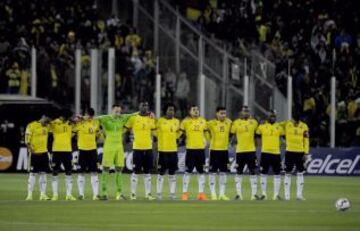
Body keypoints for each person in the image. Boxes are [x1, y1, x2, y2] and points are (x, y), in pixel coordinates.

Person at [96, 105, 138, 200]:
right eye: (116, 111)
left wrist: (149, 113)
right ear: (112, 111)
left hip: (119, 147)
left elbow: (133, 114)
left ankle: (119, 193)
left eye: (119, 111)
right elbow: (93, 120)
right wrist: (100, 131)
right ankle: (104, 193)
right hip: (109, 147)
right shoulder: (105, 118)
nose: (118, 113)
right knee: (106, 169)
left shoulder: (122, 118)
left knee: (119, 169)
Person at [125, 101, 156, 200]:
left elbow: (154, 129)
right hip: (137, 148)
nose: (145, 107)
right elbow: (125, 128)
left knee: (147, 172)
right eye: (143, 105)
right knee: (135, 172)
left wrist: (154, 118)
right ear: (139, 106)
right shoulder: (133, 118)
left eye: (146, 105)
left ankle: (148, 194)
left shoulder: (151, 118)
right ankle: (133, 194)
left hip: (148, 148)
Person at [180, 105, 209, 201]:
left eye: (197, 109)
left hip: (201, 150)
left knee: (201, 172)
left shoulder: (203, 121)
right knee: (188, 172)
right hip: (190, 150)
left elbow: (206, 134)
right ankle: (185, 193)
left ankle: (201, 194)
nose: (196, 111)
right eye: (194, 110)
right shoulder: (185, 122)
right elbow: (180, 134)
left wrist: (208, 142)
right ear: (190, 111)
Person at [231, 106, 259, 200]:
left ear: (249, 112)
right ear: (241, 112)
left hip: (251, 150)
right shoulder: (236, 123)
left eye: (247, 111)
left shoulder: (254, 122)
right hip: (240, 151)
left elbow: (257, 135)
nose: (246, 113)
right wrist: (232, 143)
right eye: (244, 111)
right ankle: (239, 194)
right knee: (239, 172)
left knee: (253, 171)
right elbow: (232, 135)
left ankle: (253, 195)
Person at [256, 111, 284, 200]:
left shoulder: (279, 127)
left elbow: (283, 137)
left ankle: (276, 195)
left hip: (276, 153)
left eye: (274, 116)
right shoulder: (262, 126)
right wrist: (259, 146)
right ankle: (264, 194)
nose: (273, 118)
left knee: (277, 174)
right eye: (271, 116)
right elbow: (257, 135)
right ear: (267, 117)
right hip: (265, 153)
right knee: (263, 174)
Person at [155, 103, 181, 200]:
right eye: (170, 110)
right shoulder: (160, 121)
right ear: (165, 111)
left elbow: (179, 133)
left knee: (172, 173)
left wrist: (175, 138)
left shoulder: (177, 121)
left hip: (173, 150)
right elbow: (154, 131)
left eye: (173, 110)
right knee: (161, 172)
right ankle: (158, 194)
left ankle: (172, 194)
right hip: (163, 150)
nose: (171, 112)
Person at [74, 108, 100, 200]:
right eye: (88, 116)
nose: (90, 118)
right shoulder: (79, 122)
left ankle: (96, 194)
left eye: (91, 116)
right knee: (81, 172)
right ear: (85, 114)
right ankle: (81, 194)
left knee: (94, 172)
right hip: (82, 150)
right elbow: (72, 123)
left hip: (92, 150)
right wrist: (79, 118)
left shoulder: (96, 122)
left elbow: (98, 134)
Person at [50, 109, 76, 201]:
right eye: (67, 117)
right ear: (63, 116)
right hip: (56, 150)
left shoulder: (70, 123)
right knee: (55, 172)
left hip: (67, 150)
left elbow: (75, 130)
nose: (68, 119)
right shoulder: (54, 123)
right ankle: (55, 195)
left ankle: (68, 195)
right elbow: (47, 126)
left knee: (69, 172)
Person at [283, 111, 310, 200]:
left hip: (300, 152)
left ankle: (299, 195)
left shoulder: (304, 126)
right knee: (287, 173)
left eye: (297, 121)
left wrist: (306, 152)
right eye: (294, 121)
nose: (296, 123)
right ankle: (287, 196)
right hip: (289, 152)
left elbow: (306, 140)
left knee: (300, 173)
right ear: (292, 119)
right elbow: (277, 125)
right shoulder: (287, 124)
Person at [207, 106, 232, 200]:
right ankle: (213, 194)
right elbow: (205, 131)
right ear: (216, 113)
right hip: (214, 151)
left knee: (223, 173)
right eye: (221, 113)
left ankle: (222, 194)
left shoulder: (229, 122)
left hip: (224, 151)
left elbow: (232, 133)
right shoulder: (210, 123)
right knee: (212, 173)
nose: (223, 115)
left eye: (224, 113)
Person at [25, 115, 51, 200]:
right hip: (34, 154)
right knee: (32, 174)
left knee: (43, 174)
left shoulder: (47, 126)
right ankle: (29, 195)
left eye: (48, 122)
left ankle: (42, 194)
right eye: (46, 121)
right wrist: (30, 148)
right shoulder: (31, 125)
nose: (47, 124)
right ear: (42, 118)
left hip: (44, 153)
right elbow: (27, 139)